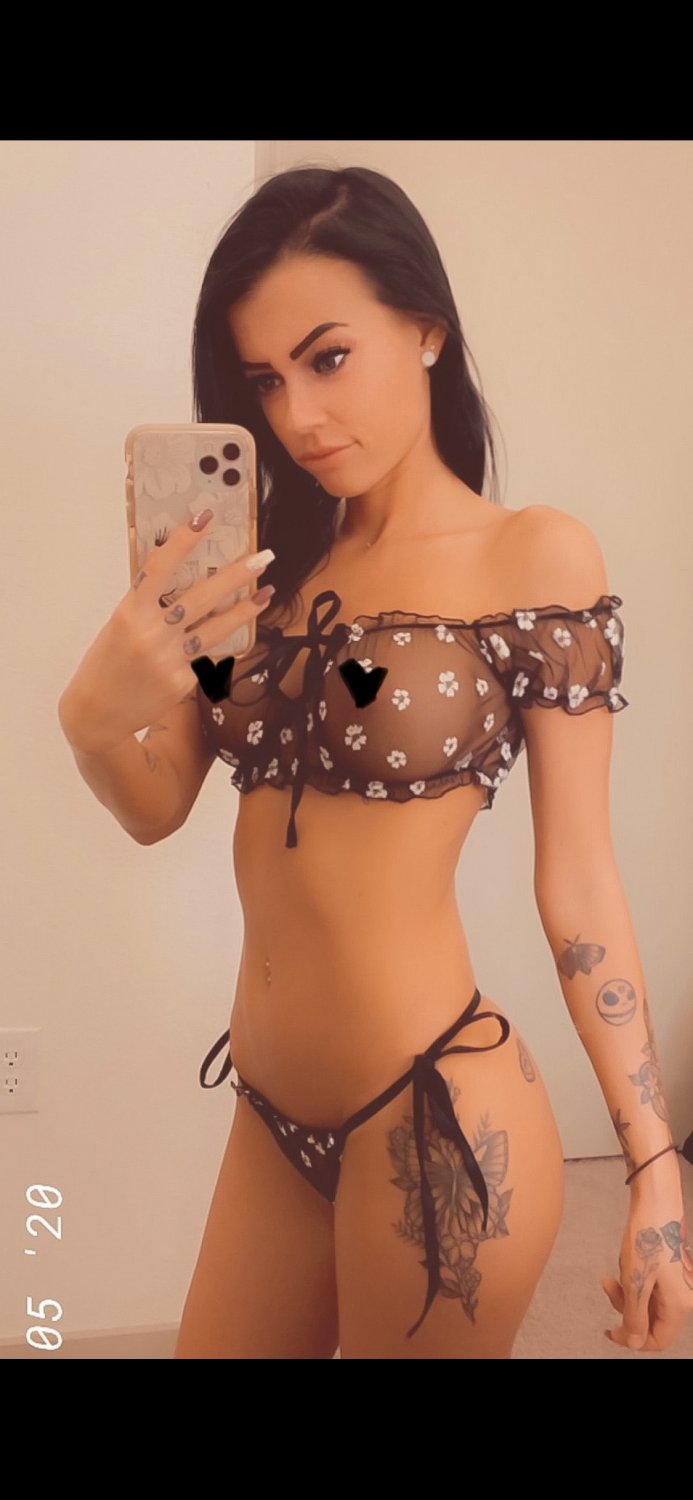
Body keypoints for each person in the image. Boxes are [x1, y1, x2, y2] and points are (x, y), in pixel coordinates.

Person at [59, 164, 693, 1359]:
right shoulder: (258, 570)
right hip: (267, 1118)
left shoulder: (531, 556)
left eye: (329, 358)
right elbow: (156, 804)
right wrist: (92, 722)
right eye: (264, 379)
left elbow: (580, 880)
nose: (297, 415)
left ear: (427, 327)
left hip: (436, 1112)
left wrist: (655, 1169)